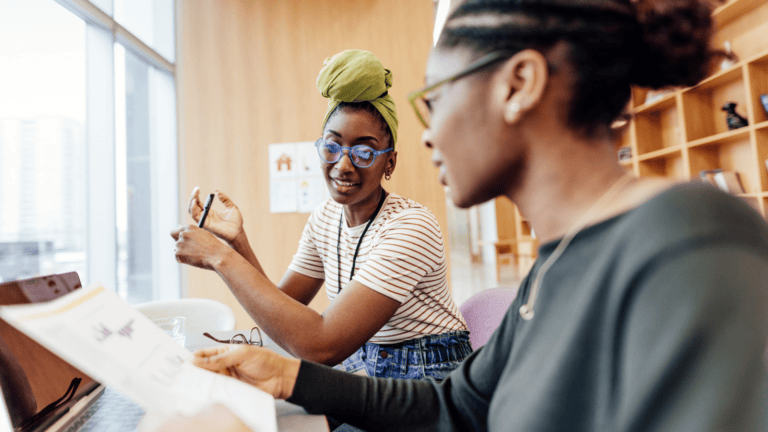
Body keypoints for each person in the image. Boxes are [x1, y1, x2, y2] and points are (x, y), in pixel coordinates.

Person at [158, 0, 768, 430]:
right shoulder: (557, 264)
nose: (429, 136)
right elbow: (454, 410)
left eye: (436, 97)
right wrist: (285, 377)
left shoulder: (694, 245)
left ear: (518, 84)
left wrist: (220, 258)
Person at [171, 49, 471, 382]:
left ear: (390, 162)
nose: (343, 165)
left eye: (364, 151)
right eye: (332, 147)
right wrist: (236, 240)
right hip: (366, 368)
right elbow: (282, 309)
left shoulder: (411, 227)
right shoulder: (325, 218)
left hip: (430, 376)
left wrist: (219, 257)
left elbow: (322, 345)